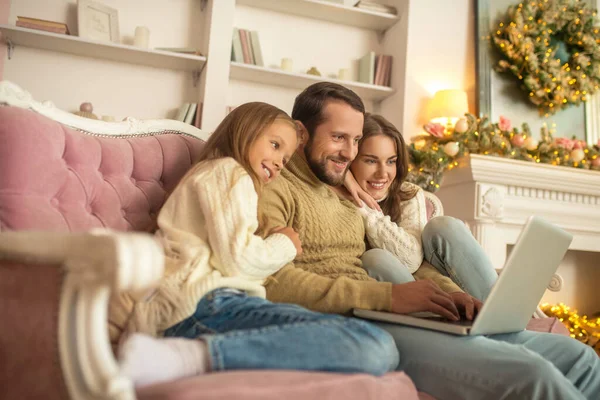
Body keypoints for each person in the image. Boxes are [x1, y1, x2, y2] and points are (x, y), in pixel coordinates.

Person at [258, 82, 600, 400]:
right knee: (533, 374)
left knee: (580, 357)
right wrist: (389, 296)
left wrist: (451, 295)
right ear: (301, 133)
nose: (349, 152)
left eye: (356, 140)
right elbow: (270, 280)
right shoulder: (275, 185)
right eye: (338, 138)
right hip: (354, 323)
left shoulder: (345, 192)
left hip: (386, 310)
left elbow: (407, 264)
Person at [115, 102, 399, 387]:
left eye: (286, 159)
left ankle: (188, 356)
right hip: (203, 304)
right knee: (375, 344)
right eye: (274, 145)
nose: (278, 162)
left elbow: (237, 260)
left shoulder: (229, 180)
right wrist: (284, 244)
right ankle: (185, 357)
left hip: (221, 303)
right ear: (245, 131)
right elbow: (239, 260)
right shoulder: (228, 172)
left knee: (372, 342)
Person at [342, 112, 499, 320]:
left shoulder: (408, 195)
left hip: (425, 282)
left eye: (391, 161)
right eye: (371, 161)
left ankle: (498, 312)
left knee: (444, 226)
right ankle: (435, 326)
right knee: (375, 258)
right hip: (391, 299)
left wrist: (363, 204)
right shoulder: (336, 199)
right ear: (351, 160)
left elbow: (412, 261)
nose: (383, 173)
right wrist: (347, 184)